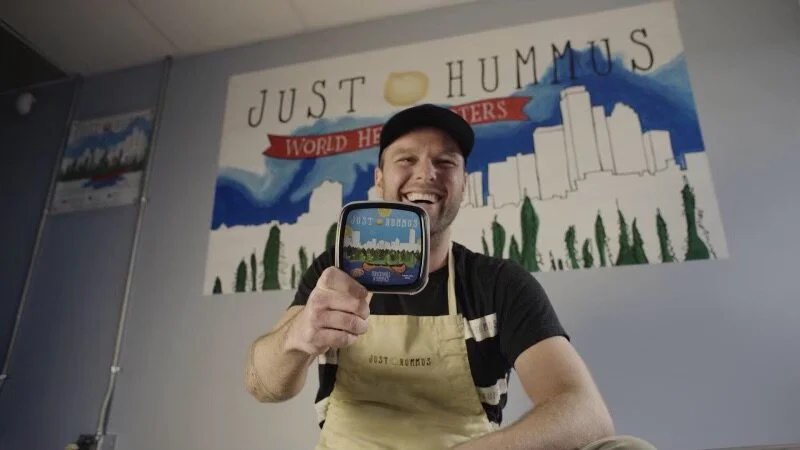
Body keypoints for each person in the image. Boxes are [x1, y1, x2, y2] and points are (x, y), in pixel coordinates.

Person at [245, 104, 656, 450]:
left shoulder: (498, 284)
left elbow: (586, 413)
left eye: (445, 162)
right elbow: (263, 386)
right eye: (406, 159)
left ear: (463, 183)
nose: (427, 173)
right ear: (379, 178)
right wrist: (297, 338)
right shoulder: (333, 271)